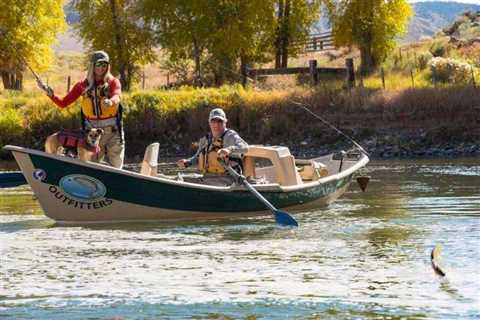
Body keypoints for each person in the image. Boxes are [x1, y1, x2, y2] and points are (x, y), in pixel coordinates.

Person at [37, 50, 125, 169]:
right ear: (92, 65)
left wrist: (110, 101)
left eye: (104, 65)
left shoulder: (114, 82)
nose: (101, 68)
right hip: (91, 133)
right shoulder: (82, 86)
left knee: (116, 164)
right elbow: (63, 103)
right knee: (91, 166)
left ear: (108, 66)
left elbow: (117, 95)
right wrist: (50, 94)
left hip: (113, 132)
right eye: (98, 64)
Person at [177, 108, 248, 185]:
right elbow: (197, 157)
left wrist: (229, 149)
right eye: (213, 121)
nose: (216, 124)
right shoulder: (206, 139)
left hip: (228, 179)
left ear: (225, 122)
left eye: (220, 121)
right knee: (179, 179)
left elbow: (245, 147)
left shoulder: (230, 136)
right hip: (208, 177)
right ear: (209, 122)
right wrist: (187, 162)